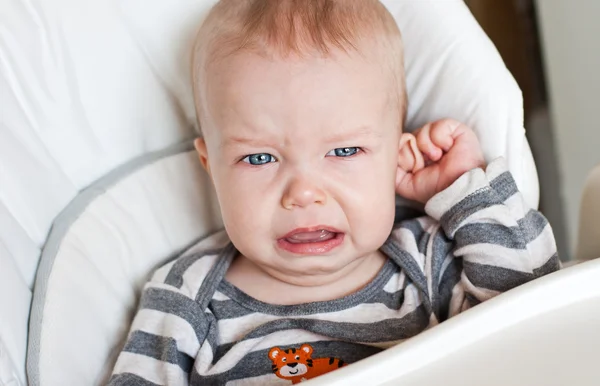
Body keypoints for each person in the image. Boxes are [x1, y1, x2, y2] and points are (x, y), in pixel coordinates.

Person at [109, 0, 560, 384]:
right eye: (260, 158)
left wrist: (463, 190)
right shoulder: (185, 299)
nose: (304, 193)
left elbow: (536, 311)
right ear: (211, 167)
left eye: (344, 151)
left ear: (396, 156)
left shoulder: (431, 261)